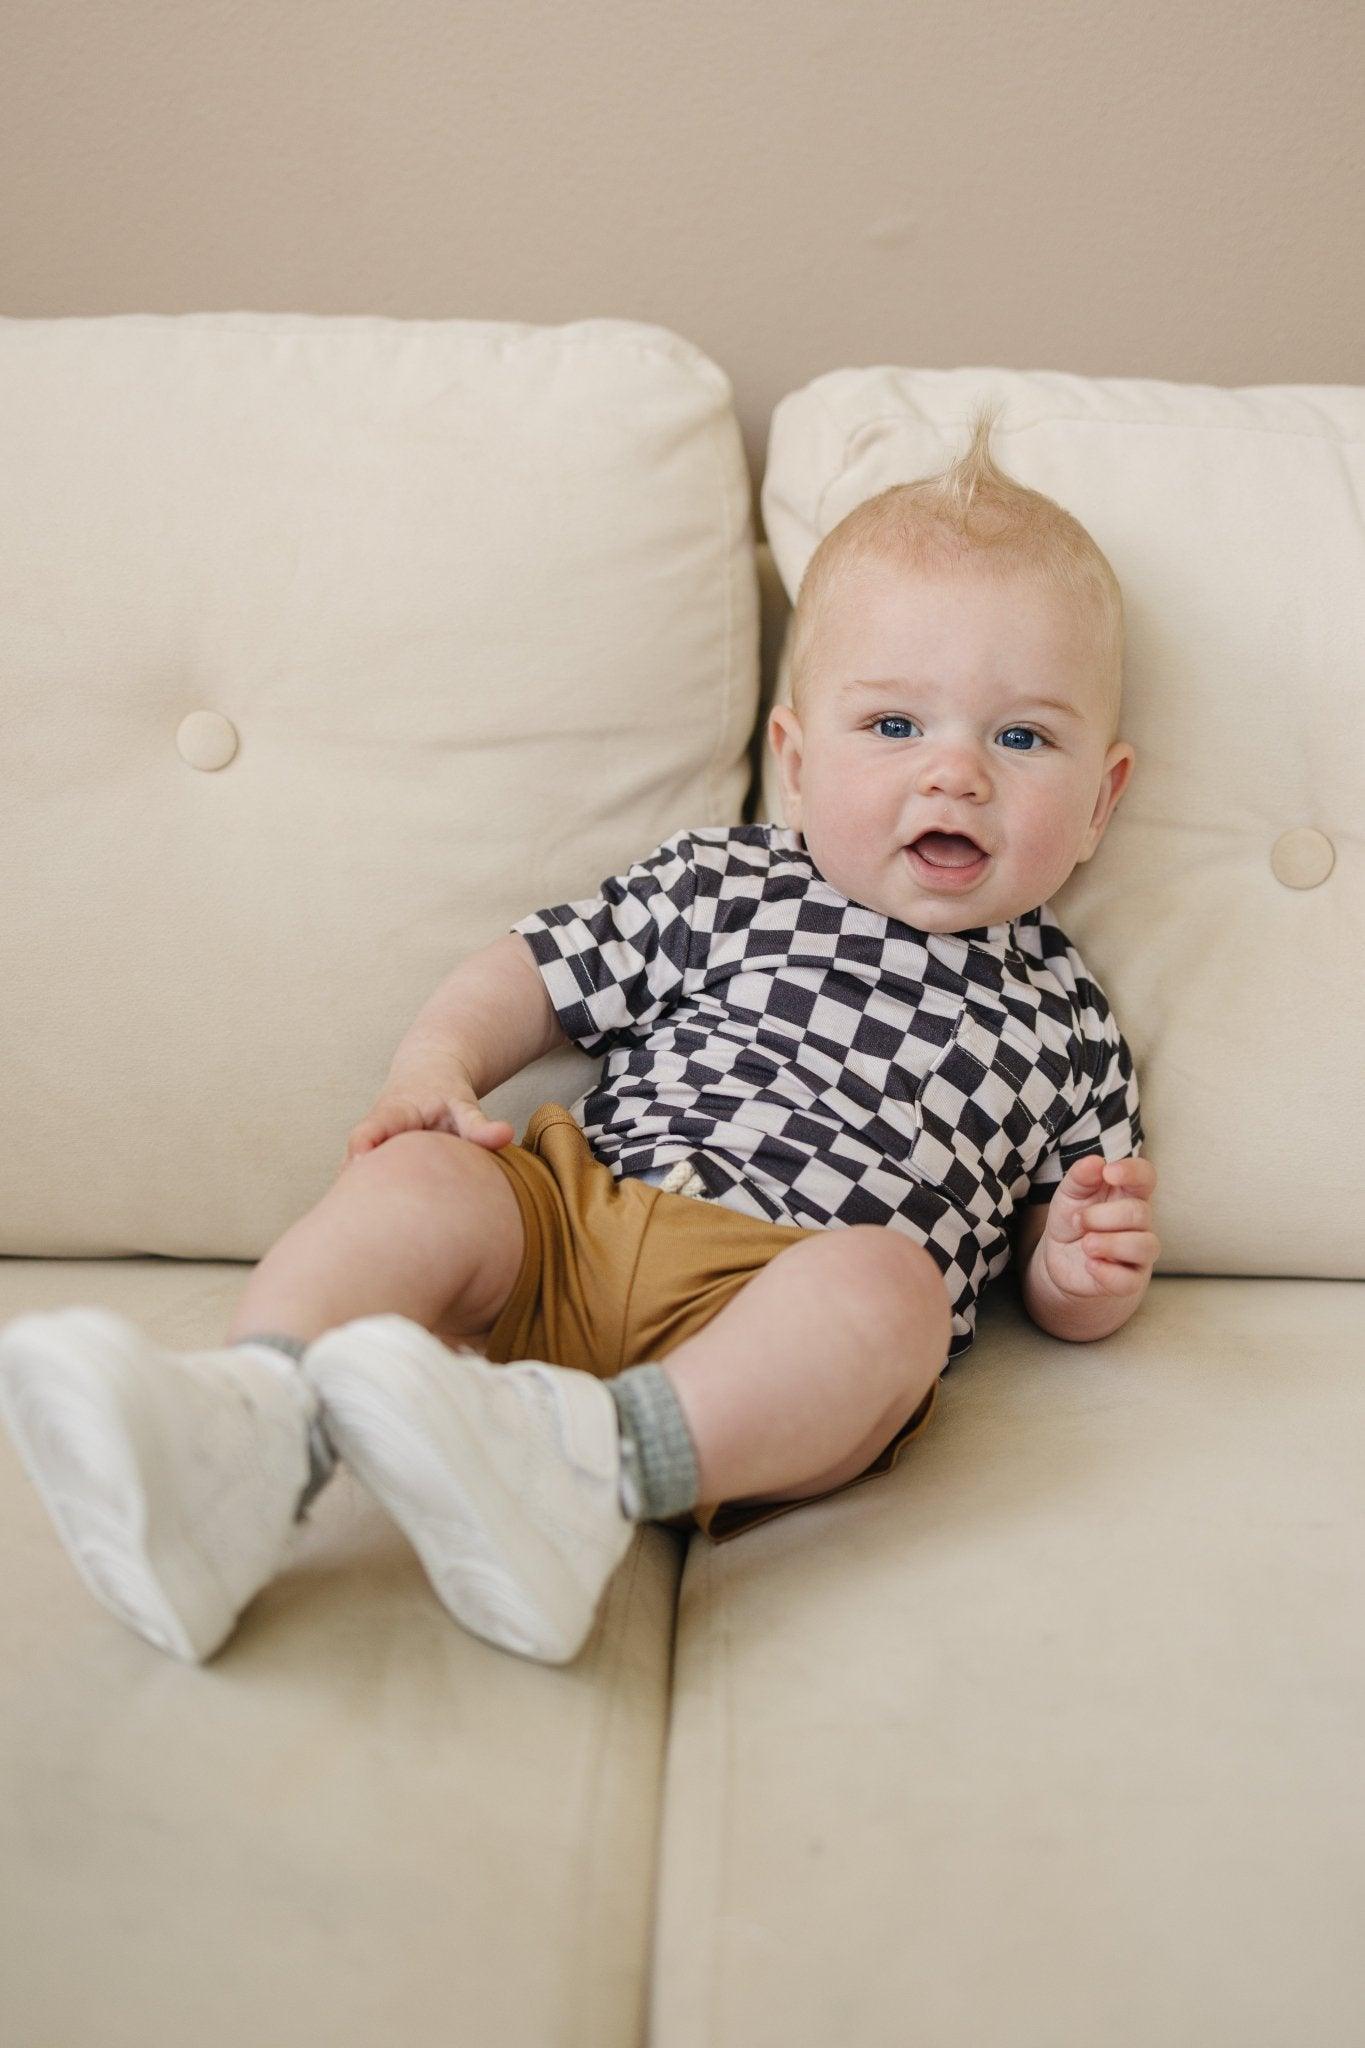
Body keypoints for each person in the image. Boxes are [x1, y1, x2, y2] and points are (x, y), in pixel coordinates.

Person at [0, 401, 1160, 1670]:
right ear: (795, 758)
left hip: (775, 1311)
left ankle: (586, 1477)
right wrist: (434, 1066)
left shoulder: (1070, 1022)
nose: (956, 774)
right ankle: (249, 1426)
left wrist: (1077, 1274)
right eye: (894, 725)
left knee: (894, 1293)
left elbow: (1054, 1256)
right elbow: (539, 971)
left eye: (1021, 736)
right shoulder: (728, 881)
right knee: (424, 1175)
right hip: (575, 1218)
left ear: (1100, 799)